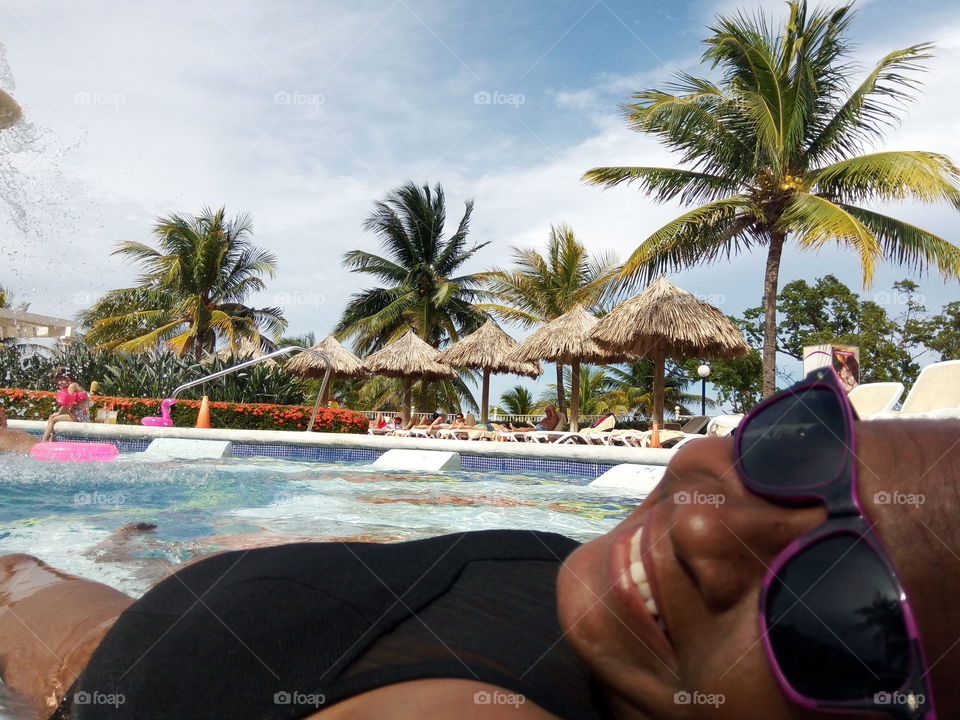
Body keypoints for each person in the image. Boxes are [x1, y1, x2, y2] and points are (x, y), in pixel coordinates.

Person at [1, 370, 958, 719]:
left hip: (78, 661)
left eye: (836, 604)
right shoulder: (627, 627)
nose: (709, 523)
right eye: (804, 443)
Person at [41, 370, 92, 443]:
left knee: (53, 419)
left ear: (66, 378)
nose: (59, 383)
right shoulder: (74, 385)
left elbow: (68, 402)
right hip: (79, 414)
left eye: (60, 381)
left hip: (80, 415)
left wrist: (59, 413)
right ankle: (51, 441)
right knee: (51, 417)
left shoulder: (72, 386)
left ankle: (44, 441)